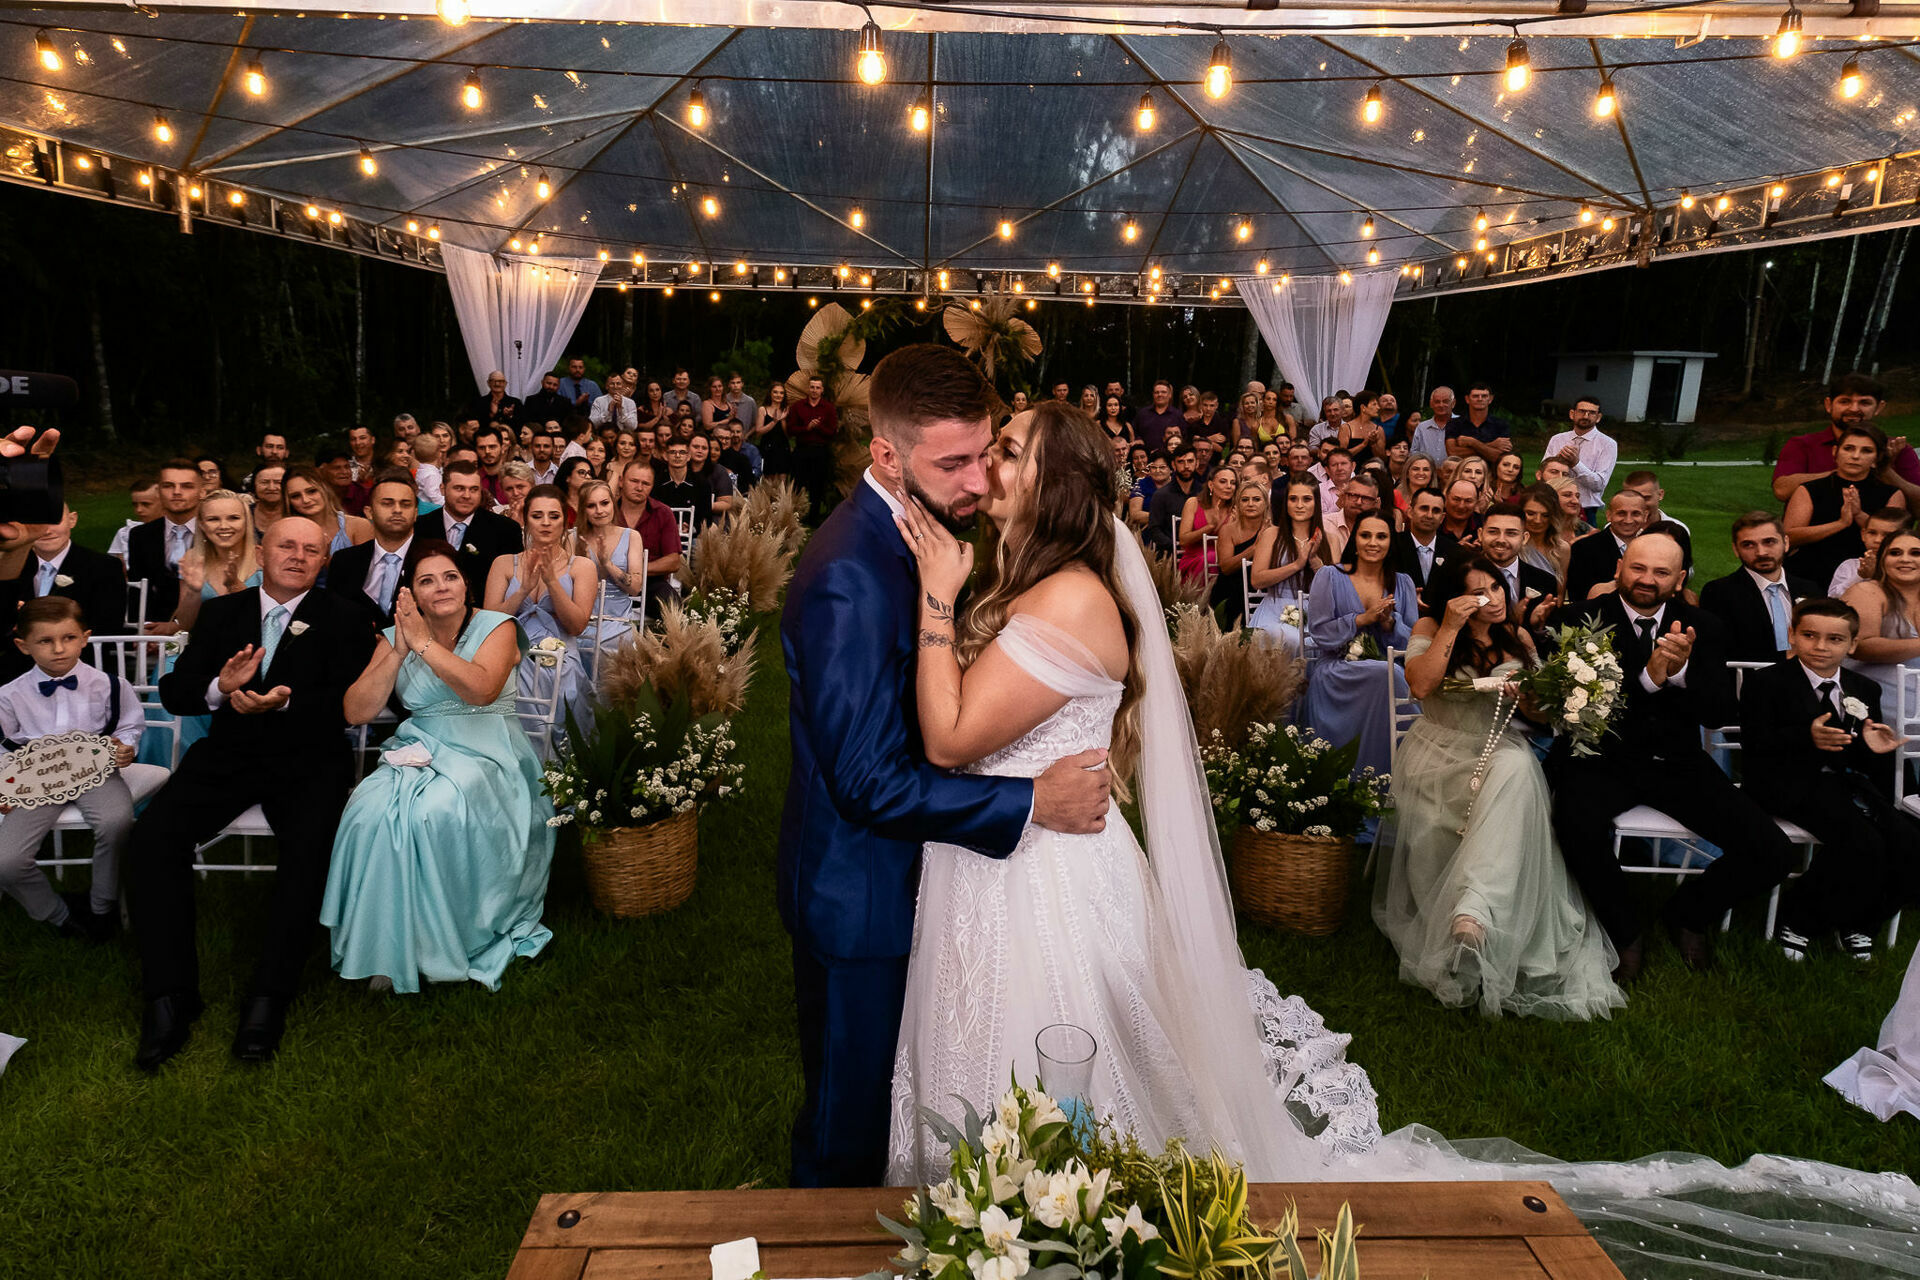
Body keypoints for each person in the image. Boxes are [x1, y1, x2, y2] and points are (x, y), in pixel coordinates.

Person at [882, 396, 1364, 1187]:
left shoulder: (1070, 596)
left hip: (1040, 880)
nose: (985, 466)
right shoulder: (1029, 578)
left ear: (1057, 481)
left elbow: (950, 737)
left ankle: (1056, 1217)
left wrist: (937, 597)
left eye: (1007, 449)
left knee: (1048, 1065)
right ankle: (992, 1218)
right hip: (996, 847)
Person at [778, 351, 1115, 1188]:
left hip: (918, 883)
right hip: (859, 895)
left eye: (986, 454)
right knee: (844, 1139)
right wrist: (1030, 799)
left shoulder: (924, 538)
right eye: (954, 463)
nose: (978, 481)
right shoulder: (852, 574)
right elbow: (863, 780)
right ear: (887, 457)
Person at [127, 516, 381, 1070]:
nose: (297, 556)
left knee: (307, 855)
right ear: (261, 552)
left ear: (323, 562)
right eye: (285, 545)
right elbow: (175, 692)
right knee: (152, 839)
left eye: (311, 549)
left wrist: (283, 702)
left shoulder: (346, 617)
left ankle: (269, 997)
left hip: (309, 759)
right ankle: (170, 996)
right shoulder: (222, 613)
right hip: (228, 756)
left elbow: (349, 701)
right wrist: (222, 688)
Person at [1379, 557, 1624, 1019]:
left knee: (1516, 771)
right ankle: (1458, 914)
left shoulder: (1518, 636)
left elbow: (1542, 719)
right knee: (1484, 795)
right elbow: (1421, 684)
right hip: (1439, 753)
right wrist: (1452, 623)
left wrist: (1529, 698)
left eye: (1496, 586)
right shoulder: (1431, 625)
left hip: (1499, 750)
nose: (1492, 598)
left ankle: (1474, 911)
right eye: (1477, 592)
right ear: (1455, 596)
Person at [1547, 530, 1797, 980]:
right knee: (1575, 826)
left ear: (1680, 579)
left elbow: (1719, 712)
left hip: (1677, 763)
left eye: (1661, 572)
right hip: (1599, 759)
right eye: (1638, 567)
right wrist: (1651, 678)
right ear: (1619, 569)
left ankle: (1688, 915)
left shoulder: (1705, 625)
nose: (1647, 579)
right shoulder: (1578, 619)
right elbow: (1575, 710)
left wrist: (1682, 676)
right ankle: (1625, 932)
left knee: (1772, 850)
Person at [321, 543, 554, 994]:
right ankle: (385, 946)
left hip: (490, 751)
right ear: (412, 594)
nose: (440, 587)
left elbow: (482, 690)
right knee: (368, 811)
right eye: (426, 581)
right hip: (421, 746)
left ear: (465, 583)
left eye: (449, 576)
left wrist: (423, 645)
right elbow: (355, 711)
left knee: (435, 810)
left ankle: (442, 939)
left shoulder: (496, 626)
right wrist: (396, 650)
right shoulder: (396, 635)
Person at [1741, 597, 1920, 963]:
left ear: (1852, 644)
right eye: (1810, 635)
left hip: (1842, 784)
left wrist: (1874, 748)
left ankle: (1861, 921)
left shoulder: (1863, 688)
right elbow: (1755, 743)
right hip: (1782, 783)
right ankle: (1801, 920)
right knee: (1862, 842)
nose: (1821, 647)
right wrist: (1806, 736)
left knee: (1910, 842)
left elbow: (1860, 756)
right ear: (1793, 636)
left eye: (1835, 640)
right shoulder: (1767, 682)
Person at [0, 597, 144, 943]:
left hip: (96, 771)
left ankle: (102, 906)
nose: (59, 649)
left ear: (85, 637)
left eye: (68, 638)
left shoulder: (111, 685)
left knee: (116, 822)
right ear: (23, 645)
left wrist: (126, 746)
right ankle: (59, 915)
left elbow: (129, 725)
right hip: (36, 778)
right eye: (45, 641)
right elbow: (3, 744)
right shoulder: (9, 695)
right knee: (6, 860)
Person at [1301, 512, 1416, 785]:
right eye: (1365, 535)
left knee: (1390, 673)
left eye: (1381, 536)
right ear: (1355, 540)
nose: (1373, 543)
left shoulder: (1404, 583)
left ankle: (1394, 778)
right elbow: (1319, 631)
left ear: (1391, 542)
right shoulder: (1329, 575)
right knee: (1389, 675)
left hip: (1388, 670)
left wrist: (1390, 625)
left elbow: (1414, 641)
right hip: (1336, 670)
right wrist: (1361, 620)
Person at [484, 485, 596, 731]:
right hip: (510, 653)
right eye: (537, 516)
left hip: (561, 656)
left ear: (565, 522)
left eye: (553, 516)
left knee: (563, 680)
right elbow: (488, 624)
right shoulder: (503, 564)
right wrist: (523, 590)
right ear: (526, 521)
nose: (545, 523)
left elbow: (577, 626)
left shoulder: (582, 566)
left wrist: (552, 584)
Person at [0, 505, 127, 681]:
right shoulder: (9, 566)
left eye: (54, 520)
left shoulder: (103, 567)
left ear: (72, 520)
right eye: (36, 522)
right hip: (14, 668)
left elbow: (108, 626)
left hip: (83, 667)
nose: (46, 530)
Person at [1783, 424, 1903, 589]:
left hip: (1865, 574)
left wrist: (1859, 514)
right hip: (1810, 573)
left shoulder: (1891, 494)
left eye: (1866, 451)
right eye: (1848, 448)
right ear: (1835, 452)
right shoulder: (1809, 489)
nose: (1855, 456)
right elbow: (1788, 537)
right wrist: (1840, 523)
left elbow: (1898, 539)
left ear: (1877, 459)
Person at [1772, 372, 1918, 505]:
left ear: (1879, 407)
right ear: (1829, 405)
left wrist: (1884, 469)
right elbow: (1781, 491)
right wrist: (1844, 472)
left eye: (1864, 402)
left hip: (1878, 532)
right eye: (1845, 401)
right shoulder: (1802, 445)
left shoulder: (1897, 448)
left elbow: (1917, 504)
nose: (1854, 409)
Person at [1698, 513, 1819, 664]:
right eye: (1748, 545)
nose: (1761, 552)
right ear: (1736, 550)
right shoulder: (1719, 593)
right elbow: (1719, 651)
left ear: (1786, 543)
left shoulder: (1810, 589)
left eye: (1769, 542)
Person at [417, 459, 522, 604]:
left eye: (473, 489)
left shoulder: (505, 529)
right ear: (442, 488)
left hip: (483, 614)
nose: (467, 495)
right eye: (459, 488)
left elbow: (512, 585)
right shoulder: (421, 526)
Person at [1841, 529, 1920, 718]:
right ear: (1882, 560)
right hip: (1877, 709)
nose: (1905, 559)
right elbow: (1860, 646)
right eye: (1895, 553)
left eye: (1915, 553)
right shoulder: (1867, 591)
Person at [324, 471, 417, 628]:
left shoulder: (435, 559)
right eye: (387, 503)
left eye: (405, 504)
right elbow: (332, 616)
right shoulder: (344, 560)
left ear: (415, 514)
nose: (397, 510)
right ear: (369, 512)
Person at [1247, 477, 1332, 648]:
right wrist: (1296, 565)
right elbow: (1257, 580)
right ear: (1286, 503)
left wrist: (1315, 561)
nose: (1299, 505)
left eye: (1306, 499)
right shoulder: (1272, 534)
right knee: (1289, 639)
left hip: (1317, 611)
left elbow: (1335, 589)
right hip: (1275, 608)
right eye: (1293, 499)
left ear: (1316, 503)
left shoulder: (1331, 538)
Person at [125, 459, 203, 626]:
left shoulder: (214, 532)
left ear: (202, 491)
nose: (176, 492)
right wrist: (142, 630)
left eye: (186, 486)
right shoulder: (140, 535)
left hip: (205, 625)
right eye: (168, 486)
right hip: (153, 630)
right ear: (159, 490)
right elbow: (137, 590)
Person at [1475, 502, 1559, 639]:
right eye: (1493, 532)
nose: (1501, 540)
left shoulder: (1544, 581)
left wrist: (1537, 627)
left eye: (1511, 533)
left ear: (1524, 538)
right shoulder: (1460, 576)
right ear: (1480, 534)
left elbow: (1551, 640)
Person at [615, 461, 684, 618]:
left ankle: (664, 642)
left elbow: (673, 561)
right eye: (634, 481)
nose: (639, 487)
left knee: (672, 605)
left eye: (645, 483)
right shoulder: (606, 511)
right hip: (610, 581)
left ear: (652, 486)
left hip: (650, 582)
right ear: (621, 481)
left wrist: (636, 572)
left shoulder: (663, 513)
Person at [1565, 489, 1649, 603]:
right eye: (1621, 513)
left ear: (1645, 516)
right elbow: (1578, 596)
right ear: (1609, 515)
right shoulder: (1584, 548)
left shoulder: (1653, 548)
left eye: (1635, 513)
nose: (1628, 520)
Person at [283, 465, 373, 568]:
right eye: (296, 496)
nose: (306, 500)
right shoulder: (287, 534)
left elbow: (370, 573)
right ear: (288, 502)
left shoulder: (358, 526)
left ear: (325, 489)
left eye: (312, 491)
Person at [1542, 396, 1616, 519]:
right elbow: (1544, 473)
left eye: (1592, 413)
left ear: (1598, 418)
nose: (1586, 416)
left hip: (1585, 509)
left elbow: (1599, 484)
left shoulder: (1607, 444)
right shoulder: (1557, 439)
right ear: (1572, 414)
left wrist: (1576, 464)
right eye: (1582, 411)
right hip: (1553, 505)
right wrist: (1558, 464)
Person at [1210, 480, 1272, 621]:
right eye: (1245, 500)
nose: (1250, 504)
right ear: (1238, 503)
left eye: (1256, 499)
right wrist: (1254, 548)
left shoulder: (1272, 530)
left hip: (1263, 589)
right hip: (1230, 590)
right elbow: (1225, 567)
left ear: (1266, 503)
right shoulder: (1228, 530)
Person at [787, 375, 840, 523]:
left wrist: (819, 427)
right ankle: (794, 515)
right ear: (807, 388)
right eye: (812, 387)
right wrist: (807, 428)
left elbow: (832, 432)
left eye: (817, 387)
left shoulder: (828, 408)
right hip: (802, 450)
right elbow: (791, 430)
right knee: (797, 483)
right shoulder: (798, 406)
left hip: (820, 451)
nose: (814, 390)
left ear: (822, 390)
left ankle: (814, 516)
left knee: (818, 484)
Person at [1829, 505, 1911, 597]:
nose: (1877, 540)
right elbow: (1833, 598)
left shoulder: (1908, 567)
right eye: (1872, 533)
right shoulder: (1850, 566)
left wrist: (1877, 576)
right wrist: (1861, 576)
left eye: (1887, 535)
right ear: (1863, 534)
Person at [1177, 463, 1238, 583]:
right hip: (1194, 558)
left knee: (1216, 558)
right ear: (1211, 484)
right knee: (1211, 557)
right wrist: (1210, 526)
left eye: (1233, 483)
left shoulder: (1236, 509)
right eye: (1223, 481)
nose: (1229, 486)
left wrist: (1233, 524)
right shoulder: (1193, 503)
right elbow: (1183, 540)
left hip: (1225, 558)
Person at [1143, 444, 1203, 556]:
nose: (1186, 466)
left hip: (1201, 551)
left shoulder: (1204, 493)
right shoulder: (1161, 495)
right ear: (1173, 465)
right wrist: (1176, 547)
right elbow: (1154, 529)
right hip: (1170, 555)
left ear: (1197, 463)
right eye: (1181, 462)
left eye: (1190, 461)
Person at [1519, 483, 1573, 589]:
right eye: (1530, 513)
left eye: (1545, 515)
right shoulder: (1512, 544)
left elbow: (1560, 594)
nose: (1538, 520)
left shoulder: (1562, 548)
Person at [109, 481, 162, 568]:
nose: (139, 510)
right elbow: (121, 572)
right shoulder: (125, 533)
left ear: (164, 503)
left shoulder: (179, 532)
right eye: (135, 505)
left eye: (146, 504)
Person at [687, 433, 736, 524]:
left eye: (704, 448)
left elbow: (726, 503)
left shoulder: (718, 471)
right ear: (687, 448)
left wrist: (702, 506)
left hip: (712, 518)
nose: (700, 451)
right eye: (696, 447)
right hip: (684, 517)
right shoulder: (681, 469)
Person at [1134, 378, 1184, 452]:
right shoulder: (1143, 414)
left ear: (1170, 395)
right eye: (1156, 392)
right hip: (1147, 458)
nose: (1159, 395)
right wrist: (1139, 440)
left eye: (1163, 392)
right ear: (1153, 395)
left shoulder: (1178, 415)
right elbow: (1135, 432)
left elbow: (1184, 437)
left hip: (1171, 457)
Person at [754, 381, 791, 479]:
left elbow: (789, 435)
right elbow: (758, 432)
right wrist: (774, 422)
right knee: (769, 481)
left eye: (781, 393)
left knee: (782, 481)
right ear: (770, 393)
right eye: (775, 392)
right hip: (768, 448)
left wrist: (782, 419)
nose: (778, 395)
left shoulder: (787, 410)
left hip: (783, 448)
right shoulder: (762, 409)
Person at [1409, 386, 1454, 463]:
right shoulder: (1422, 427)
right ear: (1431, 404)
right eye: (1437, 402)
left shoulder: (1462, 424)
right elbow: (1414, 453)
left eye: (1445, 401)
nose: (1441, 405)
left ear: (1453, 403)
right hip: (1426, 473)